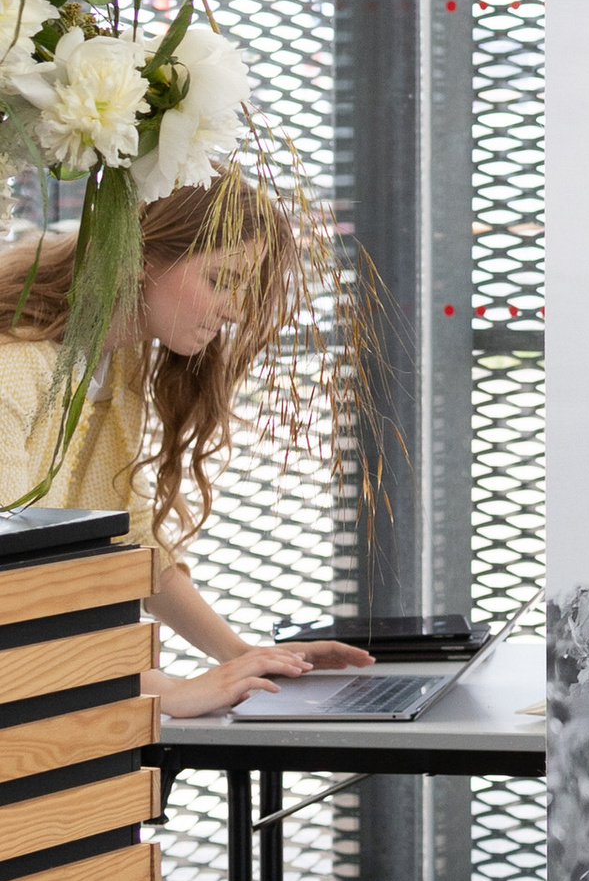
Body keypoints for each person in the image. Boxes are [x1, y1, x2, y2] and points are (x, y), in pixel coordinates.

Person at [0, 179, 373, 718]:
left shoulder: (114, 363)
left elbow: (132, 541)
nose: (236, 312)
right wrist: (165, 689)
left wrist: (241, 653)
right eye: (223, 280)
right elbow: (15, 583)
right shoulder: (14, 372)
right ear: (138, 252)